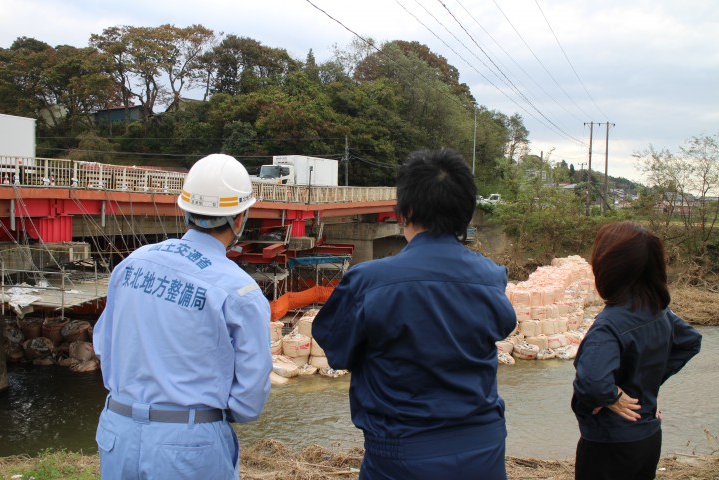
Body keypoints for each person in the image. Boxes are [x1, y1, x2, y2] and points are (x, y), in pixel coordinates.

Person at [312, 148, 517, 480]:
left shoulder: (369, 282)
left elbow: (336, 350)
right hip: (483, 448)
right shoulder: (491, 277)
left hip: (402, 453)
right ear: (466, 212)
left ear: (404, 211)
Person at [93, 153, 272, 480]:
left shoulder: (132, 264)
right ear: (241, 217)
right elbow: (250, 395)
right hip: (187, 444)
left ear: (185, 208)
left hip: (118, 429)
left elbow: (104, 345)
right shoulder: (240, 291)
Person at [572, 221, 702, 480]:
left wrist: (611, 396)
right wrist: (648, 383)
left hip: (610, 445)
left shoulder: (608, 325)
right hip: (648, 437)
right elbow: (690, 340)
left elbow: (592, 383)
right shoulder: (658, 310)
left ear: (607, 268)